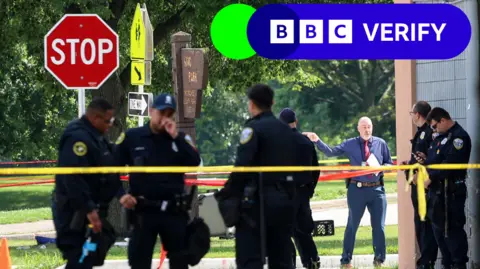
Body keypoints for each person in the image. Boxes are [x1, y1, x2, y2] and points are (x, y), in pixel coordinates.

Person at [113, 93, 202, 269]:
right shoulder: (133, 137)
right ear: (152, 111)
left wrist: (176, 136)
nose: (165, 118)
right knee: (139, 261)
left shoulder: (180, 139)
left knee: (180, 261)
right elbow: (110, 168)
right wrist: (121, 195)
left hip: (174, 211)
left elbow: (194, 161)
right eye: (161, 113)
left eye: (170, 114)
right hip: (143, 211)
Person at [215, 84, 298, 269]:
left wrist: (227, 193)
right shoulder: (286, 131)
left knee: (250, 259)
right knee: (282, 259)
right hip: (284, 201)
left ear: (251, 104)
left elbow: (242, 167)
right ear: (273, 103)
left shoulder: (252, 129)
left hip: (257, 204)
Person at [303, 117, 393, 268]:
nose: (367, 129)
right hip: (357, 190)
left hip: (377, 190)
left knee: (379, 227)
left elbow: (389, 163)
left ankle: (379, 260)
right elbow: (331, 152)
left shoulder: (380, 143)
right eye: (364, 127)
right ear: (358, 128)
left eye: (369, 126)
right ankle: (346, 260)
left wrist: (381, 167)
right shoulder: (350, 143)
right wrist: (317, 140)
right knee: (352, 225)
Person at [51, 98, 122, 269]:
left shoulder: (97, 138)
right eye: (108, 121)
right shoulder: (78, 138)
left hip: (90, 210)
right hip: (76, 213)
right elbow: (72, 178)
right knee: (79, 257)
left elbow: (108, 166)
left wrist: (121, 193)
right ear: (95, 118)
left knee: (89, 255)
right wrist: (89, 210)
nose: (110, 125)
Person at [415, 107, 471, 269]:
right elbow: (434, 161)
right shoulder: (440, 138)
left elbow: (450, 165)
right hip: (436, 195)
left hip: (450, 194)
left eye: (434, 126)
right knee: (440, 238)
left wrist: (429, 177)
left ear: (443, 120)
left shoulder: (458, 138)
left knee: (452, 236)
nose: (434, 130)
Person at [279, 108, 320, 269]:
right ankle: (312, 262)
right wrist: (309, 189)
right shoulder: (306, 142)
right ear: (295, 122)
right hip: (302, 193)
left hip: (284, 194)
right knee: (303, 232)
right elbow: (316, 169)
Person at [400, 101, 438, 269]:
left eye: (411, 113)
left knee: (425, 223)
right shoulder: (421, 132)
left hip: (425, 186)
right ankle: (424, 258)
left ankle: (427, 260)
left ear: (417, 114)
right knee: (420, 223)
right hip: (416, 185)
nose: (411, 117)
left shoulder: (429, 132)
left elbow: (432, 159)